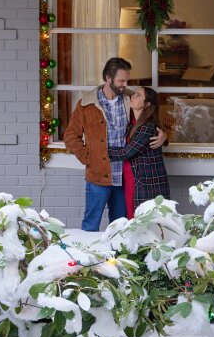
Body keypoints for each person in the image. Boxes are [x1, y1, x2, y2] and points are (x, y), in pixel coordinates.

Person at [64, 58, 166, 231]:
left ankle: (116, 259)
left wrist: (163, 135)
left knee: (120, 227)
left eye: (127, 80)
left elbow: (150, 116)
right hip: (98, 176)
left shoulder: (130, 99)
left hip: (125, 178)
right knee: (90, 225)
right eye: (121, 81)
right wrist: (89, 158)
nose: (125, 85)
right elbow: (70, 136)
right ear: (108, 78)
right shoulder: (85, 105)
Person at [108, 87, 171, 218]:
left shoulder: (148, 127)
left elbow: (127, 153)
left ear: (147, 104)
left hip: (145, 182)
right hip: (132, 178)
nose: (133, 96)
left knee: (141, 218)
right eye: (134, 94)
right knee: (132, 216)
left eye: (138, 95)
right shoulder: (133, 123)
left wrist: (99, 151)